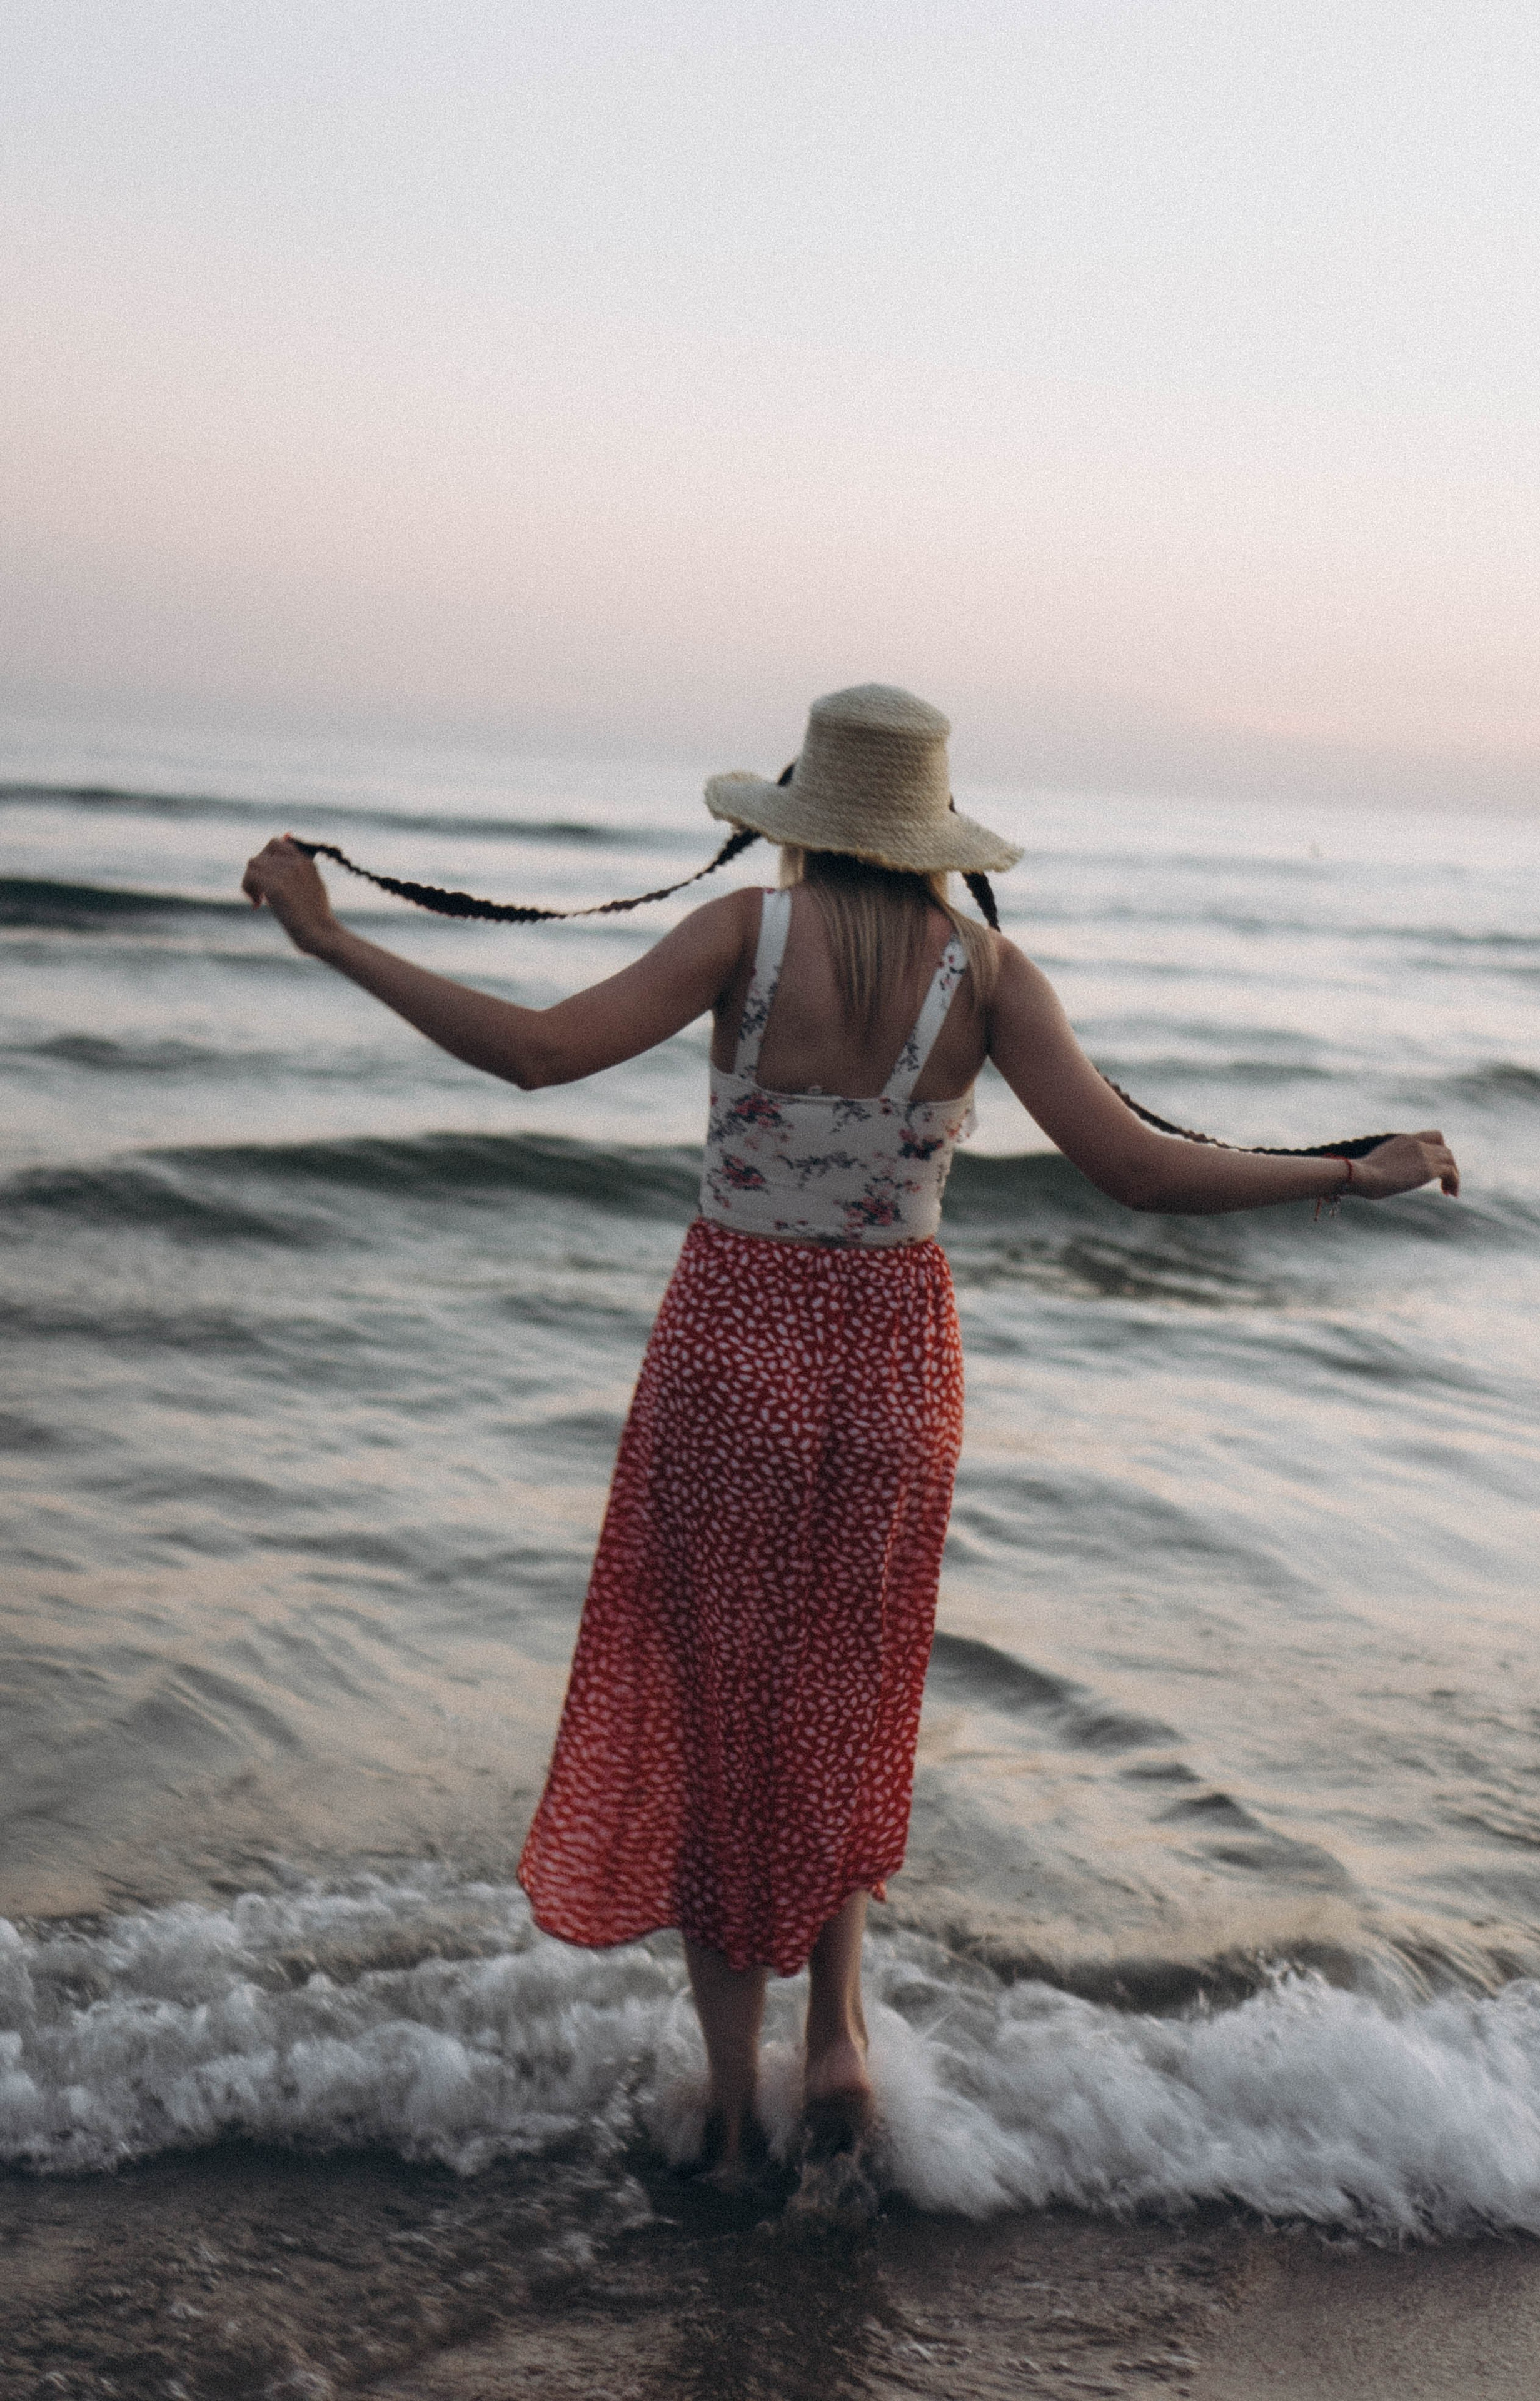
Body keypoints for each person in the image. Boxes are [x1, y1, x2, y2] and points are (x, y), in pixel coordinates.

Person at [243, 683, 1458, 2172]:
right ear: (932, 827)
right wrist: (1346, 1169)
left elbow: (538, 1055)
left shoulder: (744, 937)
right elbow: (1136, 1171)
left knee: (716, 1707)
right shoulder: (989, 971)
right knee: (841, 1693)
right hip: (893, 1365)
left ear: (803, 817)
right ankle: (840, 2049)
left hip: (731, 1347)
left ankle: (736, 2097)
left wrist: (327, 935)